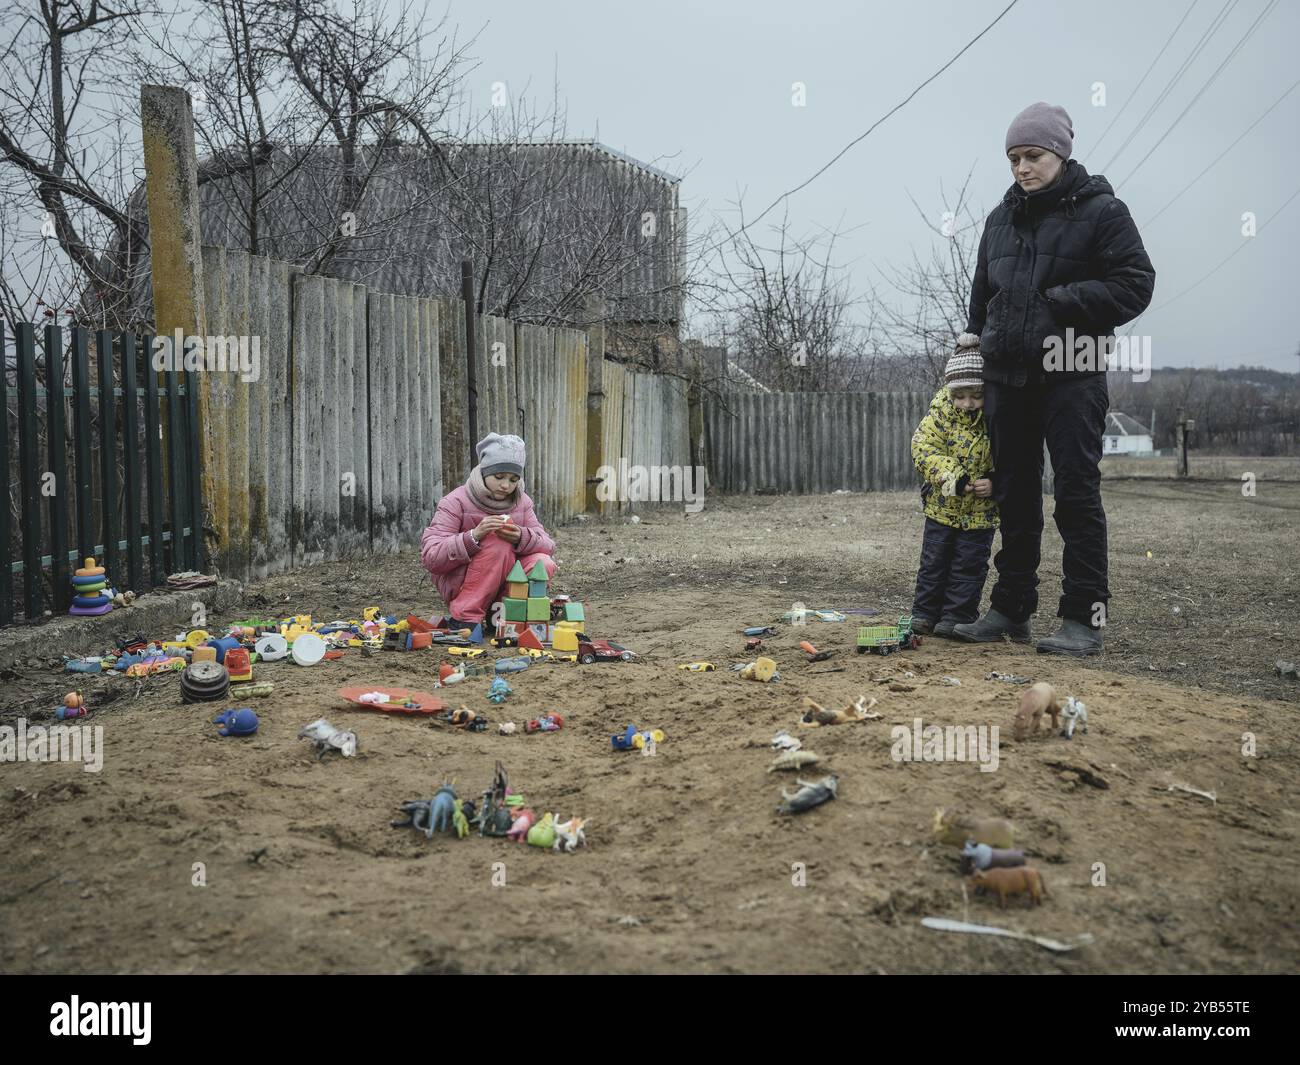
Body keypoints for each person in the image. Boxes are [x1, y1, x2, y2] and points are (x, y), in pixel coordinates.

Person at [954, 102, 1155, 656]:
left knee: (1074, 495)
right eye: (1014, 157)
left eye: (1033, 156)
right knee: (1015, 497)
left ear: (1060, 155)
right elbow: (981, 297)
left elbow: (1136, 283)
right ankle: (1010, 610)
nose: (1022, 167)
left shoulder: (1103, 212)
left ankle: (1082, 619)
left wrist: (1063, 302)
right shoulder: (999, 219)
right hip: (1006, 378)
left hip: (1073, 375)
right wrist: (978, 339)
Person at [419, 432, 556, 629]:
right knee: (497, 541)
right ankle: (465, 617)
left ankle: (504, 616)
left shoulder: (522, 502)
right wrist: (473, 537)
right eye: (499, 476)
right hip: (462, 583)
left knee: (542, 563)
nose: (506, 485)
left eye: (514, 479)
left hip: (504, 583)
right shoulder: (455, 501)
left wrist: (521, 537)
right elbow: (431, 557)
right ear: (484, 471)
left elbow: (547, 545)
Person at [910, 342, 998, 637]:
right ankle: (924, 613)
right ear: (950, 392)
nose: (968, 403)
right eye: (960, 396)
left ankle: (956, 616)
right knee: (934, 561)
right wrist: (954, 478)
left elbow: (1013, 456)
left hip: (981, 514)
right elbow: (923, 448)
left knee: (968, 567)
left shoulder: (995, 419)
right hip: (942, 507)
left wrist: (994, 481)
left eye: (976, 395)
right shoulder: (940, 414)